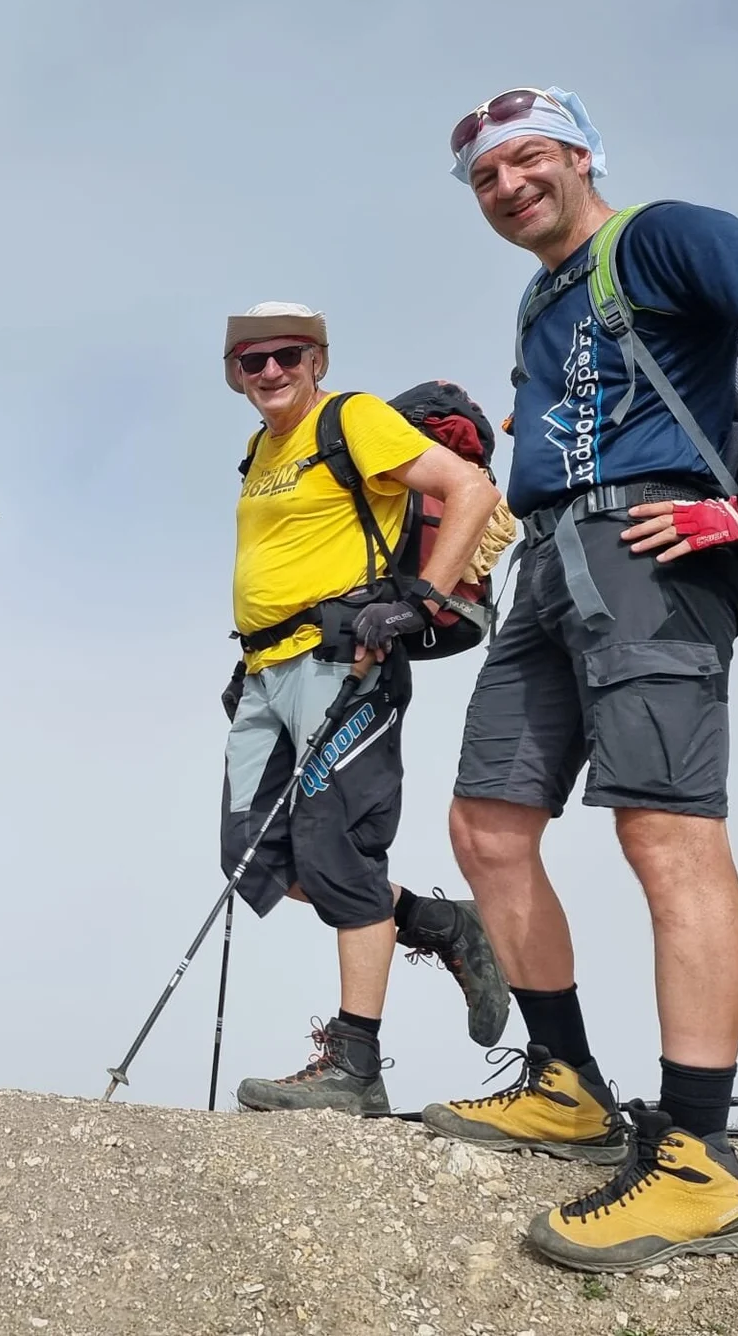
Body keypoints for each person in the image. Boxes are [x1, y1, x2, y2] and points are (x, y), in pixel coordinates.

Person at [429, 87, 738, 1272]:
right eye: (486, 177)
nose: (509, 186)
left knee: (666, 832)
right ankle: (566, 1085)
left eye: (529, 158)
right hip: (553, 562)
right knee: (487, 826)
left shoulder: (660, 234)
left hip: (655, 550)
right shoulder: (544, 298)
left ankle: (698, 1161)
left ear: (584, 155)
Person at [221, 301, 507, 1115]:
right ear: (235, 375)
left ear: (317, 360)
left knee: (337, 850)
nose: (270, 370)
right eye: (252, 360)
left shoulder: (352, 418)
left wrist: (418, 603)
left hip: (342, 663)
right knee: (249, 856)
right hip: (264, 672)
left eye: (288, 355)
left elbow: (470, 489)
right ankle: (441, 923)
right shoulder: (261, 450)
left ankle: (355, 1065)